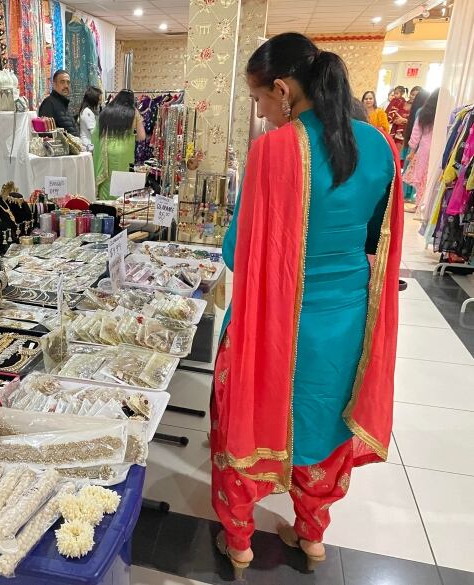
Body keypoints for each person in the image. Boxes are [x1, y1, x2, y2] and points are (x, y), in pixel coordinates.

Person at [211, 33, 402, 580]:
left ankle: (241, 540)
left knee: (248, 414)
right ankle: (311, 535)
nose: (263, 114)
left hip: (275, 323)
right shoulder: (379, 149)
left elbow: (235, 251)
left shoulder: (275, 150)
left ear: (282, 88)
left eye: (259, 101)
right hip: (345, 322)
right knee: (322, 420)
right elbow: (375, 238)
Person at [92, 90, 147, 199]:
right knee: (122, 181)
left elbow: (96, 133)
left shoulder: (107, 111)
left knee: (107, 180)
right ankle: (121, 206)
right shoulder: (134, 112)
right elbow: (142, 136)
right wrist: (130, 136)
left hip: (107, 151)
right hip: (125, 152)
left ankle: (106, 206)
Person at [404, 89, 438, 210]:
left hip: (424, 149)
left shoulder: (424, 113)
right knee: (432, 178)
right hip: (438, 150)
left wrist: (412, 151)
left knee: (421, 177)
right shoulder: (445, 113)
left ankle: (418, 205)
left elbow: (416, 133)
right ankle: (427, 206)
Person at [401, 89, 429, 206]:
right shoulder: (424, 112)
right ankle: (413, 197)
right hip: (420, 147)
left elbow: (415, 132)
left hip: (414, 144)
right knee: (417, 172)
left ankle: (406, 195)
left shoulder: (418, 111)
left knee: (411, 170)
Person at [38, 70, 79, 136]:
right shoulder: (49, 103)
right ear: (54, 84)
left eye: (68, 82)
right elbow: (45, 134)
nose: (66, 86)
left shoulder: (64, 104)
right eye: (62, 82)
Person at [78, 86, 103, 151]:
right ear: (93, 99)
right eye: (99, 99)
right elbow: (94, 131)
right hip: (88, 144)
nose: (100, 102)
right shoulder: (87, 112)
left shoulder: (88, 111)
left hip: (90, 143)